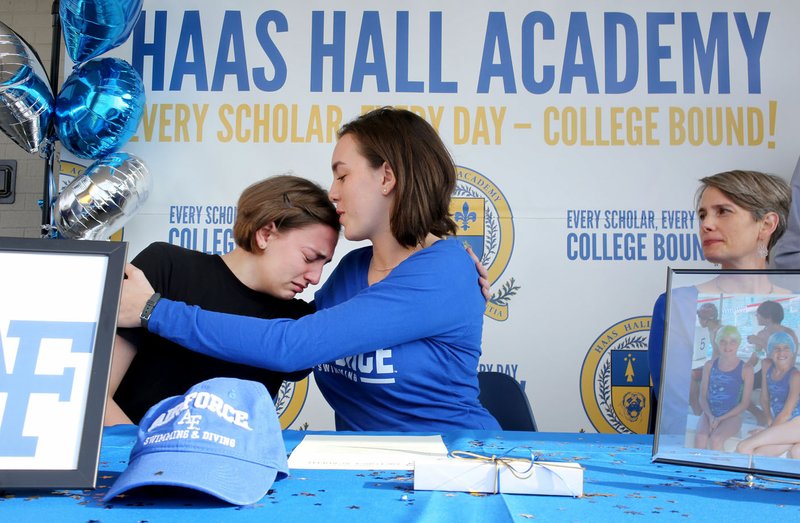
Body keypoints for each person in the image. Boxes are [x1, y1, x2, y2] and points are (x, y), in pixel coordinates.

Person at [116, 107, 501, 432]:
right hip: (369, 477)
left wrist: (153, 310)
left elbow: (292, 346)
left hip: (456, 464)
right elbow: (290, 330)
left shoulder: (448, 271)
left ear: (386, 177)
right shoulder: (352, 270)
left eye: (342, 174)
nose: (332, 192)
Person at [105, 175, 341, 425]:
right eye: (309, 257)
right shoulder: (166, 266)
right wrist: (147, 458)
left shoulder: (295, 323)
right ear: (265, 234)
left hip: (234, 464)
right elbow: (97, 394)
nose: (315, 278)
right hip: (130, 460)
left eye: (324, 264)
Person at [648, 170, 791, 435]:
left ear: (767, 224)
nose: (706, 224)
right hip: (701, 454)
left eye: (723, 211)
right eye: (702, 215)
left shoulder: (793, 302)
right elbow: (676, 412)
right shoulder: (677, 304)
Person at [736, 332, 800, 457]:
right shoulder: (767, 365)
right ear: (770, 352)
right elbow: (764, 398)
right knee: (758, 454)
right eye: (776, 349)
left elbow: (787, 413)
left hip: (795, 424)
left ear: (792, 352)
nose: (781, 353)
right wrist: (769, 420)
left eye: (786, 348)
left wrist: (768, 430)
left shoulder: (795, 376)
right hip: (783, 425)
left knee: (744, 446)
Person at [694, 326, 754, 450]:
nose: (728, 346)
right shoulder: (709, 365)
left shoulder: (746, 369)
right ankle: (700, 469)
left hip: (732, 416)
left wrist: (721, 418)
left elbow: (744, 403)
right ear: (717, 343)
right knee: (700, 436)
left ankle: (719, 468)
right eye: (723, 341)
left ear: (738, 344)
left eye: (732, 342)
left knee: (716, 439)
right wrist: (710, 415)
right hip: (709, 413)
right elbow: (703, 396)